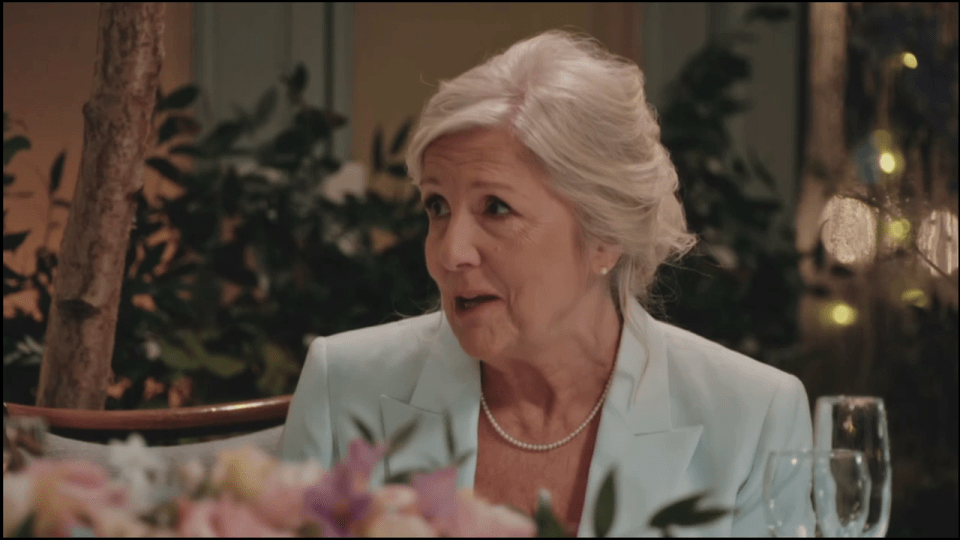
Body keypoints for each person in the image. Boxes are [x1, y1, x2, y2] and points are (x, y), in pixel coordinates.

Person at [280, 29, 813, 536]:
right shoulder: (344, 387)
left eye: (496, 208)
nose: (449, 251)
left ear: (604, 235)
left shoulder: (752, 417)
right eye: (437, 206)